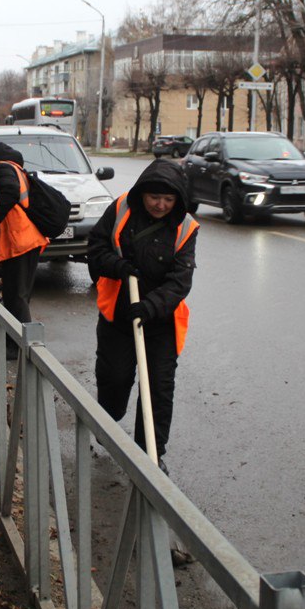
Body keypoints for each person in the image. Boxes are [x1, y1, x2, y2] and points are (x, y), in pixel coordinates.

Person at [88, 159, 198, 474]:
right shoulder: (121, 208)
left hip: (160, 321)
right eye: (154, 198)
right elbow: (95, 248)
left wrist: (150, 307)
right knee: (116, 378)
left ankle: (150, 454)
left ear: (178, 198)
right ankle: (107, 414)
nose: (161, 205)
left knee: (158, 389)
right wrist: (116, 265)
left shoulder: (185, 227)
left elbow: (180, 281)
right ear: (142, 193)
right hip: (118, 317)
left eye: (168, 199)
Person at [0, 137, 49, 324]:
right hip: (20, 240)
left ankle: (20, 346)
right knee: (14, 295)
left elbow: (10, 192)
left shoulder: (1, 168)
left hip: (21, 241)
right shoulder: (8, 166)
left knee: (16, 298)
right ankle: (13, 338)